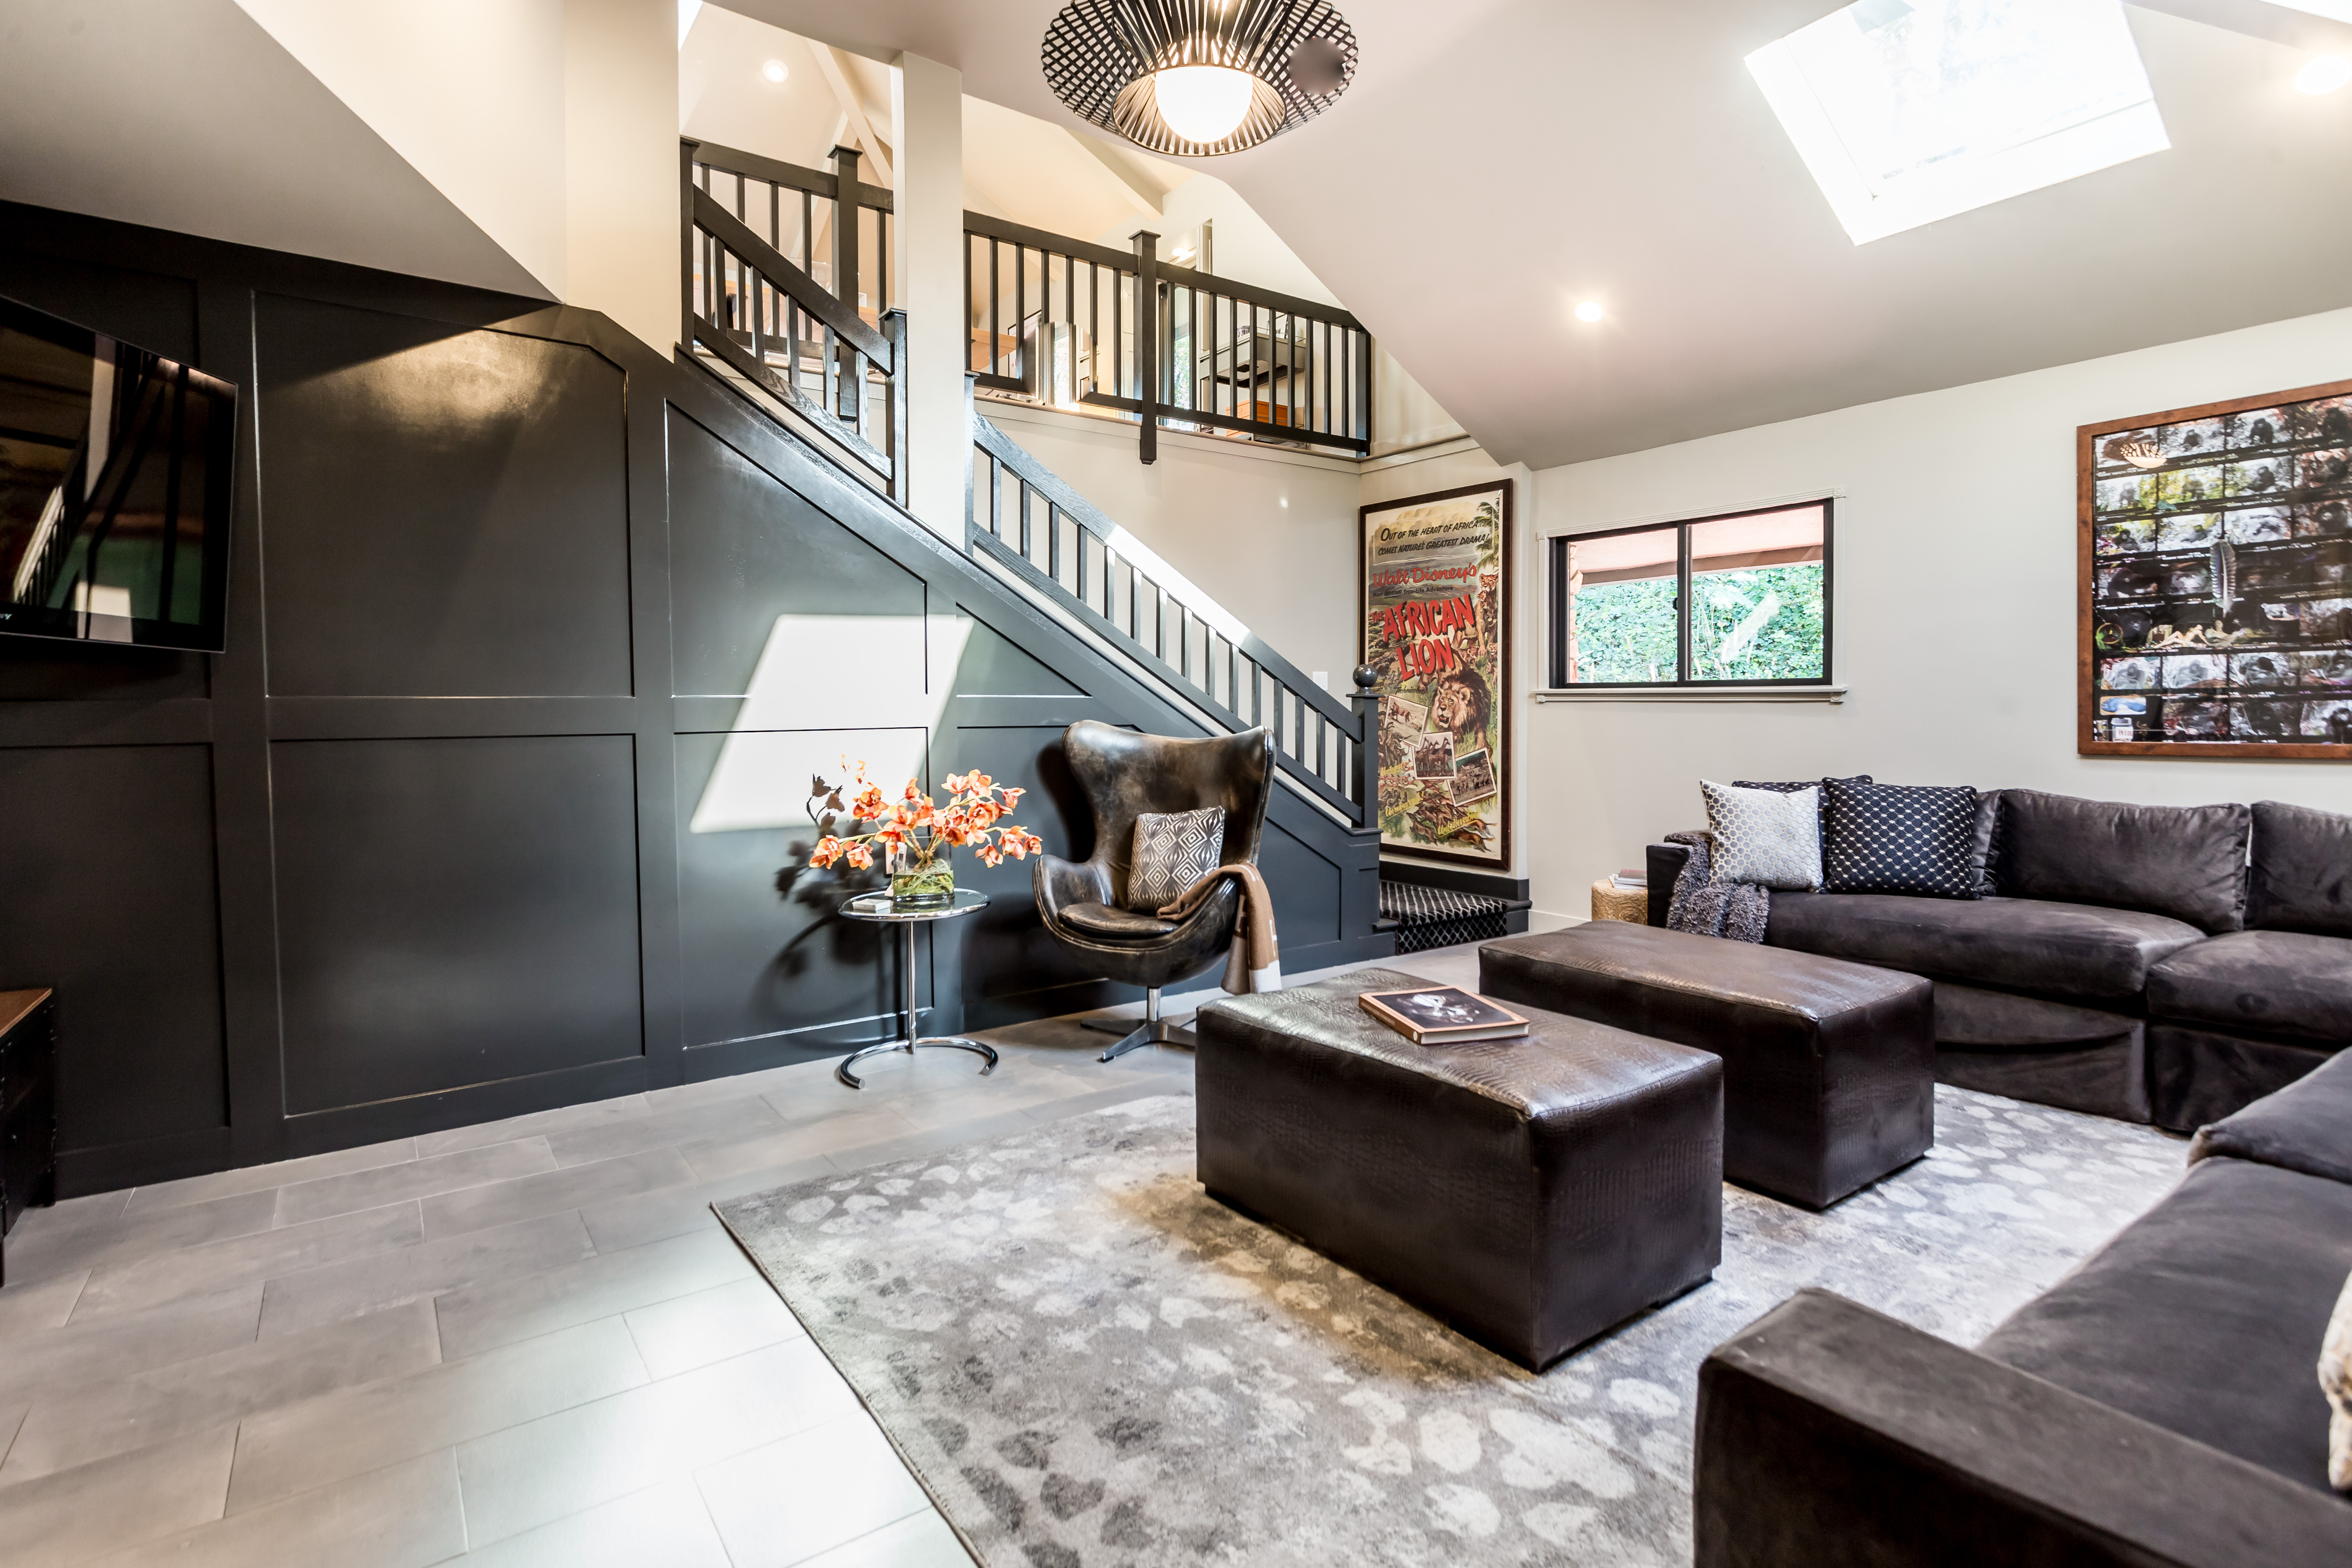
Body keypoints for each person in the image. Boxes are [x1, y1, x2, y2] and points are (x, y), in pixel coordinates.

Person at [1427, 666, 1492, 753]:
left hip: (1471, 702)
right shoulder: (1444, 692)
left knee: (1480, 730)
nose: (1443, 706)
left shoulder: (1472, 701)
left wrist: (1481, 736)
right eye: (1442, 699)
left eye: (1451, 701)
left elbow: (1480, 719)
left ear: (1464, 698)